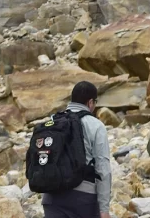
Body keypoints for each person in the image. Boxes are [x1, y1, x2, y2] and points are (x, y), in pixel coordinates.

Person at [42, 81, 112, 218]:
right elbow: (103, 169)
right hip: (83, 201)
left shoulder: (52, 121)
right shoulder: (96, 126)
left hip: (51, 197)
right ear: (90, 102)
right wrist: (104, 210)